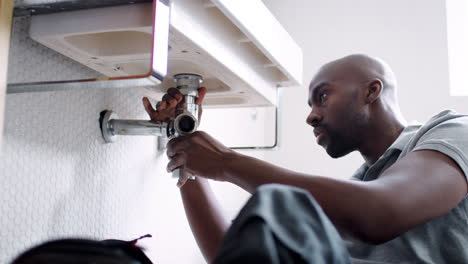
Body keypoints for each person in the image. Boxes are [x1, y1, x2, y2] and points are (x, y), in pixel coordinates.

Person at [142, 54, 468, 263]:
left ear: (372, 91)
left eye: (322, 97)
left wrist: (227, 163)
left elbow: (381, 213)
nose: (311, 117)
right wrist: (186, 148)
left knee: (280, 206)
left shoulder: (453, 130)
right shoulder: (358, 189)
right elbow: (227, 253)